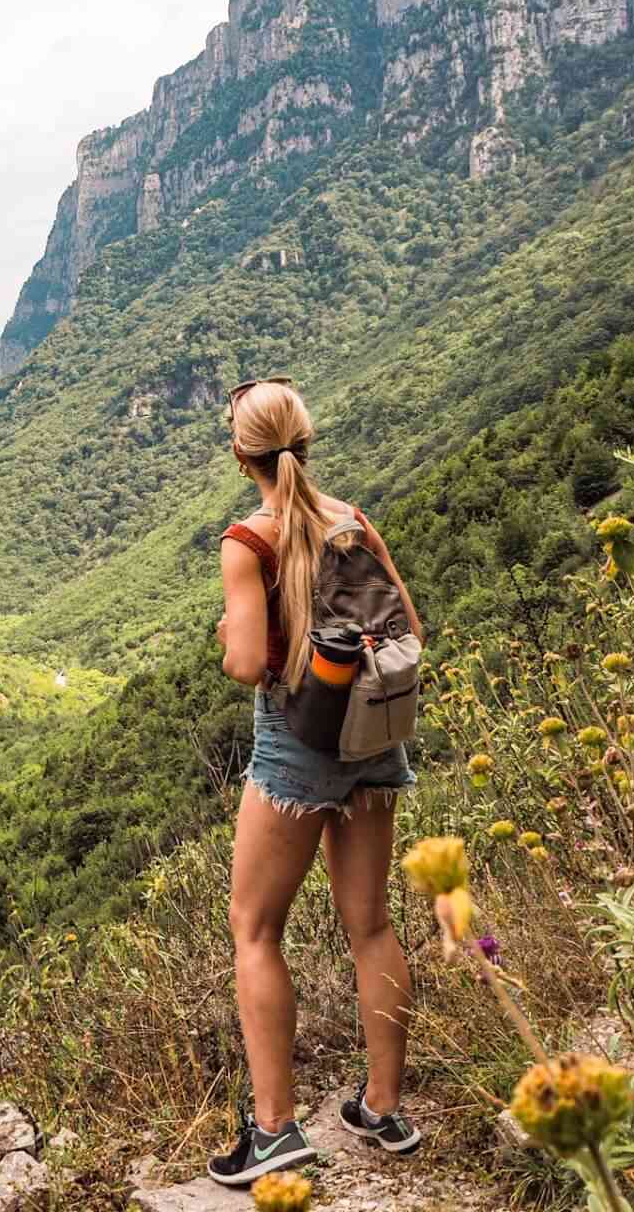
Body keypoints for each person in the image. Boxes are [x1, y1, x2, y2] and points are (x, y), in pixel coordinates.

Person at [206, 378, 426, 1187]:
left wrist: (238, 629)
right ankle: (382, 1108)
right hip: (373, 734)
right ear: (307, 439)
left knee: (256, 929)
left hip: (297, 747)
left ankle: (274, 1132)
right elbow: (408, 622)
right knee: (369, 925)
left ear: (242, 455)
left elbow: (242, 664)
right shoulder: (352, 520)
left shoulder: (248, 541)